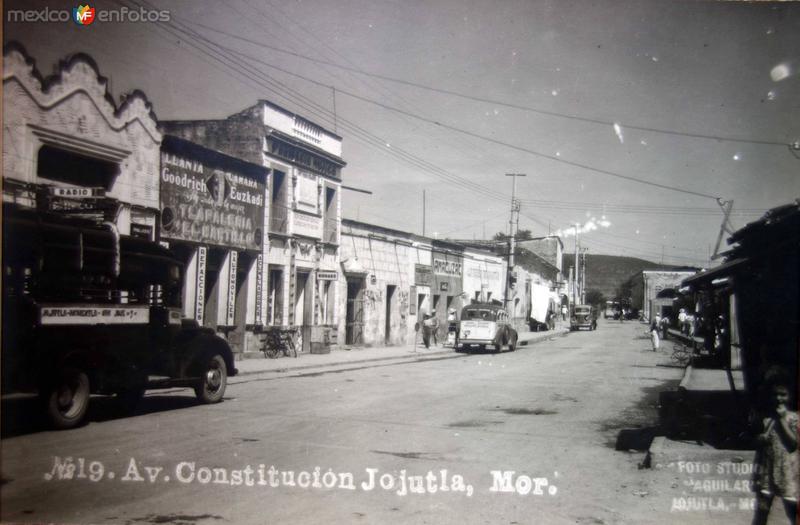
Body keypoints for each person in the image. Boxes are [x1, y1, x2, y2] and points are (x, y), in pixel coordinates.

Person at [751, 378, 798, 525]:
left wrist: (782, 419)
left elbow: (793, 444)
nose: (779, 398)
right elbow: (757, 444)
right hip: (767, 471)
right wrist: (760, 439)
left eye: (783, 394)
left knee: (793, 511)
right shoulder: (765, 418)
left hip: (789, 472)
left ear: (790, 396)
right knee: (762, 511)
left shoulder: (794, 418)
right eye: (775, 394)